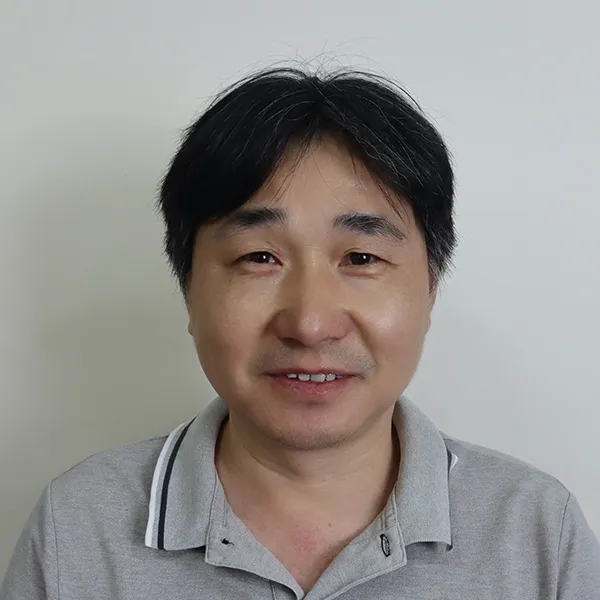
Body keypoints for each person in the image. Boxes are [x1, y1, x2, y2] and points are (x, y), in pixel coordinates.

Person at [2, 65, 599, 600]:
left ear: (430, 289)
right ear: (189, 289)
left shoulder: (537, 532)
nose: (311, 324)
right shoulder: (78, 527)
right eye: (259, 257)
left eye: (361, 258)